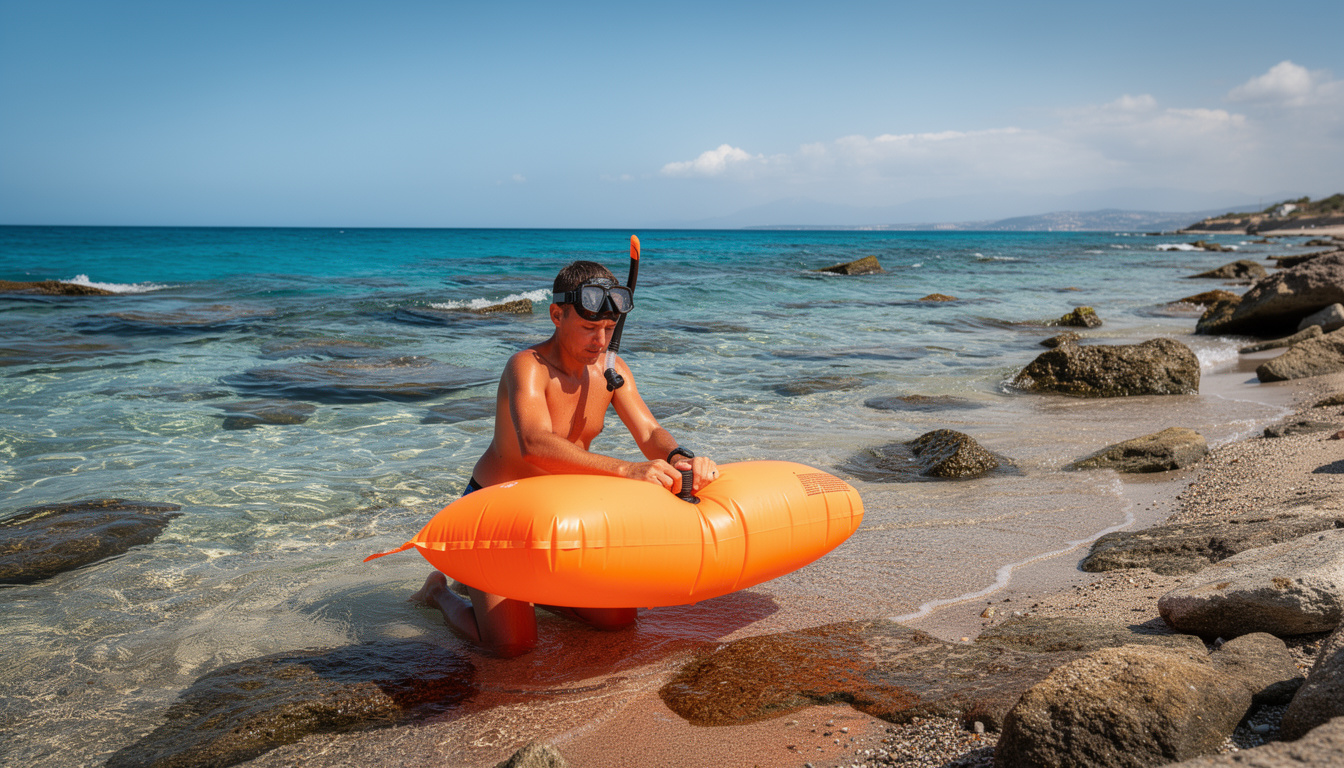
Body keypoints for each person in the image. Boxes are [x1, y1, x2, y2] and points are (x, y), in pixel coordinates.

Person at [410, 259, 719, 656]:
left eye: (608, 329)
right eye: (589, 328)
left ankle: (529, 593)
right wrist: (627, 470)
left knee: (618, 620)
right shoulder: (528, 367)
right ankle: (439, 591)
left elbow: (648, 432)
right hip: (497, 513)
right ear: (557, 315)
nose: (600, 341)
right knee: (512, 645)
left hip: (559, 517)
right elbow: (535, 444)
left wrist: (679, 456)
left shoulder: (612, 371)